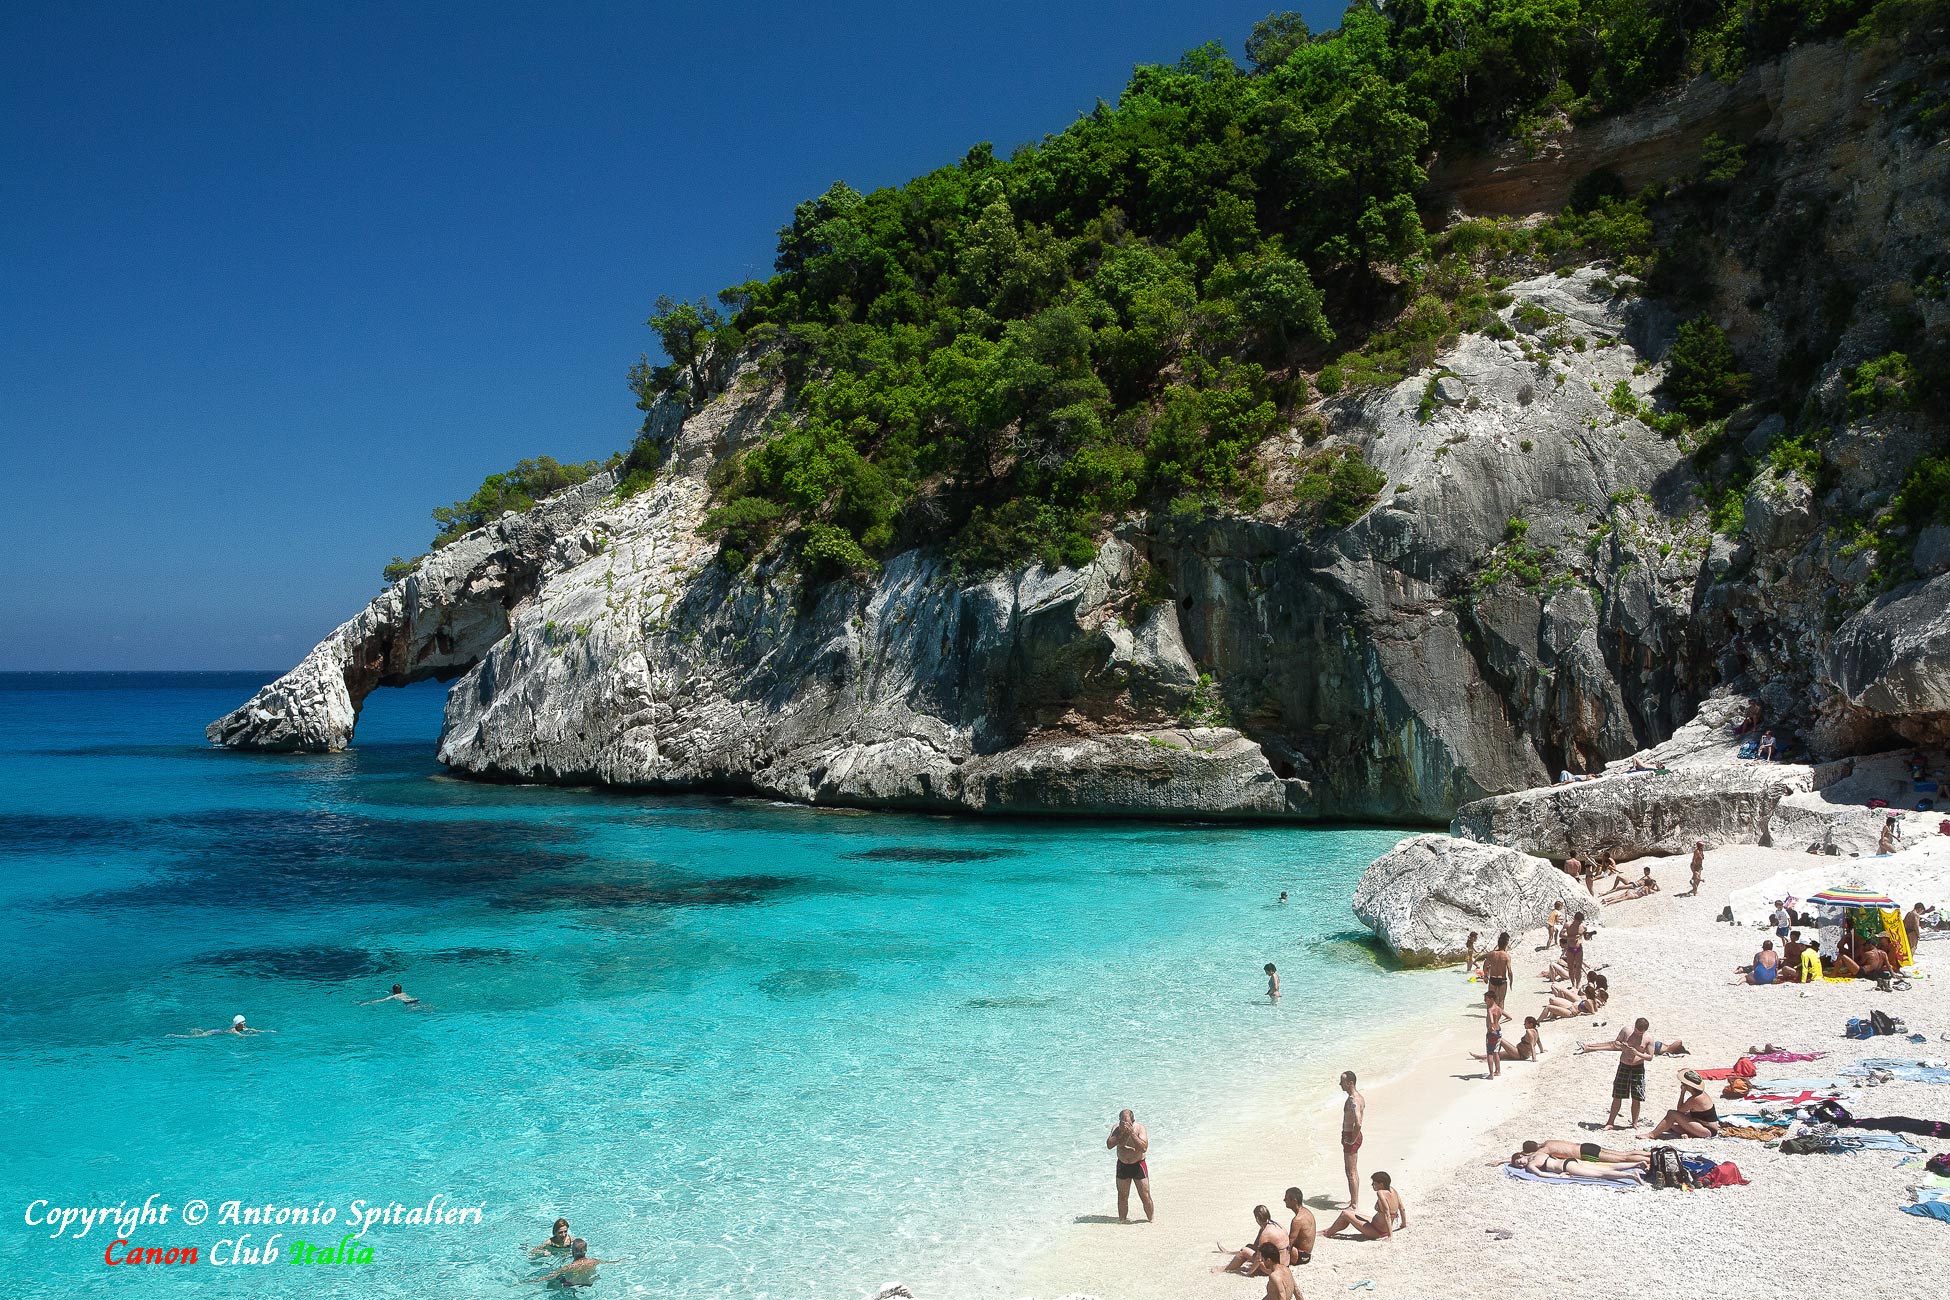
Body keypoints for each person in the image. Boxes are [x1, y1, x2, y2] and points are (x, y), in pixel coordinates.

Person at [1322, 1171, 1405, 1240]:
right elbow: (1402, 1209)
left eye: (1374, 1183)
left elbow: (1387, 1214)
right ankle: (1329, 1230)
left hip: (1377, 1231)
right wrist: (1403, 1224)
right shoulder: (1393, 1190)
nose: (1372, 1185)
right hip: (1382, 1228)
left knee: (1345, 1213)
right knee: (1354, 1214)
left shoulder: (1380, 1193)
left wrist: (1390, 1236)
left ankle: (1327, 1233)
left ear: (1381, 1184)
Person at [1605, 1020, 1655, 1129]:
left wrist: (1637, 1053)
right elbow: (1616, 1042)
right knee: (1617, 1095)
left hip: (1638, 1068)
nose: (1638, 1034)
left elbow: (1650, 1057)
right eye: (1637, 1031)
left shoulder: (1649, 1038)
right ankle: (1610, 1122)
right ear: (1635, 1027)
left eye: (1641, 1033)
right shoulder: (1626, 1030)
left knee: (1636, 1096)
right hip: (1624, 1065)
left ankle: (1634, 1123)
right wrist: (1624, 1046)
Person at [1107, 1109, 1154, 1223]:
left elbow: (1144, 1147)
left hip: (1138, 1165)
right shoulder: (1116, 1129)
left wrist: (1132, 1133)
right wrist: (1121, 1133)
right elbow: (1109, 1145)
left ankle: (1151, 1220)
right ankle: (1122, 1220)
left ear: (1133, 1121)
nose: (1125, 1125)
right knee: (1122, 1195)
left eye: (1127, 1122)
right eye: (1122, 1122)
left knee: (1145, 1195)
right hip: (1123, 1165)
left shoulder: (1140, 1128)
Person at [1647, 1070, 1721, 1139]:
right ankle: (1688, 1133)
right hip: (1705, 1126)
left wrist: (1682, 1093)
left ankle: (1652, 1135)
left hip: (1707, 1130)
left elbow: (1679, 1110)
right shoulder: (1702, 1094)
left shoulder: (1695, 1099)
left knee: (1672, 1114)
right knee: (1672, 1123)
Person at [1215, 1205, 1287, 1275]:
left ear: (1257, 1218)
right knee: (1249, 1247)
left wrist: (1249, 1272)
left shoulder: (1265, 1234)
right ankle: (1229, 1253)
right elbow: (1256, 1246)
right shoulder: (1278, 1225)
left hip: (1272, 1270)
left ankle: (1225, 1268)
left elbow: (1258, 1259)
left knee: (1244, 1251)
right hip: (1285, 1265)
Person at [1509, 1149, 1645, 1182]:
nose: (1521, 1166)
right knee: (1605, 1167)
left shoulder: (1530, 1165)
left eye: (1518, 1162)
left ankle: (1631, 1175)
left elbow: (1540, 1174)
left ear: (1521, 1156)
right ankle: (1637, 1164)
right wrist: (1502, 1160)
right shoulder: (1537, 1153)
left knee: (1600, 1173)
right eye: (1518, 1166)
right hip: (1571, 1161)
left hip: (1566, 1167)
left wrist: (1559, 1177)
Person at [527, 1238, 616, 1287]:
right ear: (586, 1250)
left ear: (572, 1252)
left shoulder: (570, 1267)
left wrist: (534, 1280)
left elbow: (551, 1275)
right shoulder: (594, 1261)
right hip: (588, 1284)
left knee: (556, 1279)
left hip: (571, 1284)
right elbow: (609, 1262)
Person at [1512, 1139, 1648, 1167]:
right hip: (1586, 1146)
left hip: (1585, 1154)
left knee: (1622, 1160)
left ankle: (1651, 1160)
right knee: (1623, 1153)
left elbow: (1527, 1157)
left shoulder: (1543, 1151)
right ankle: (1648, 1155)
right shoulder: (1548, 1142)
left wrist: (1504, 1160)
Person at [1339, 1071, 1365, 1208]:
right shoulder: (1357, 1097)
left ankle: (1354, 1203)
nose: (1340, 1084)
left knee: (1351, 1171)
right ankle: (1353, 1199)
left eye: (1342, 1081)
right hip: (1350, 1135)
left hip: (1351, 1135)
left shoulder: (1354, 1100)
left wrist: (1352, 1139)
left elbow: (1358, 1123)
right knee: (1351, 1170)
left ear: (1350, 1083)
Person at [1475, 1015, 1542, 1066]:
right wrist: (1542, 1050)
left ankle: (1488, 1060)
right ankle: (1480, 1056)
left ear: (1531, 1024)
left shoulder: (1529, 1031)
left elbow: (1532, 1045)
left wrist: (1534, 1058)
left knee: (1499, 1039)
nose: (1524, 1024)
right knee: (1500, 1054)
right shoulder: (1536, 1031)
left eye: (1525, 1023)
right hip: (1521, 1053)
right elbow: (1538, 1042)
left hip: (1520, 1054)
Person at [1282, 1186, 1316, 1266]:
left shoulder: (1297, 1220)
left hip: (1300, 1256)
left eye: (1286, 1198)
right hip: (1306, 1255)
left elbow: (1289, 1244)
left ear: (1294, 1201)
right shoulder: (1307, 1212)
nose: (1284, 1200)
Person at [1480, 932, 1512, 1011]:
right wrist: (1511, 982)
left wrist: (1485, 976)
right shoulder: (1506, 956)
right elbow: (1510, 971)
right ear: (1506, 944)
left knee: (1490, 1001)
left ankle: (1490, 1019)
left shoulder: (1491, 954)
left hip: (1493, 979)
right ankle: (1498, 1020)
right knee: (1501, 1001)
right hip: (1502, 980)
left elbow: (1485, 965)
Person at [171, 1014, 272, 1038]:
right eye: (243, 1022)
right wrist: (251, 1036)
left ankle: (196, 1030)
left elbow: (254, 1030)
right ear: (238, 1024)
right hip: (216, 1032)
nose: (245, 1023)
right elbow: (242, 1036)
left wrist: (266, 1031)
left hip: (220, 1031)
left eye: (245, 1021)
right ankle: (178, 1036)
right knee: (198, 1036)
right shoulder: (233, 1030)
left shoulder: (244, 1028)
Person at [1480, 1002, 1507, 1079]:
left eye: (1486, 998)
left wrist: (1491, 1028)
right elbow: (1509, 1017)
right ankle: (1498, 1071)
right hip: (1499, 1032)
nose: (1485, 1000)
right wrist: (1499, 1023)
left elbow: (1491, 1021)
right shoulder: (1499, 1009)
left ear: (1491, 999)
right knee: (1496, 1052)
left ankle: (1491, 1074)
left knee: (1489, 1053)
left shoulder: (1490, 1009)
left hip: (1492, 1033)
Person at [1561, 911, 1587, 989]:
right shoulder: (1568, 925)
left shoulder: (1583, 927)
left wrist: (1588, 936)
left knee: (1578, 967)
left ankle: (1578, 984)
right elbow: (1561, 935)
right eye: (1579, 921)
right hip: (1570, 948)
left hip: (1579, 949)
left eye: (1581, 921)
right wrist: (1570, 937)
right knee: (1571, 967)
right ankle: (1573, 984)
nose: (1579, 923)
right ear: (1574, 919)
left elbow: (1586, 937)